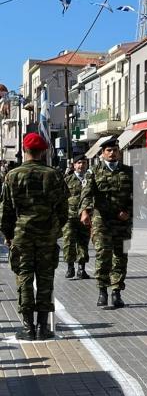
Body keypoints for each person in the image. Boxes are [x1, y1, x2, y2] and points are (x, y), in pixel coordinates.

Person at [0, 133, 69, 340]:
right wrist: (55, 229)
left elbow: (6, 210)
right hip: (47, 234)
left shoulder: (12, 175)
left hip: (22, 234)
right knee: (46, 279)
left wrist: (8, 234)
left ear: (24, 150)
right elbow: (63, 209)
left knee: (24, 278)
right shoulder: (54, 175)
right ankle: (42, 326)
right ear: (44, 151)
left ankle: (28, 327)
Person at [80, 137, 134, 309]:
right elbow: (87, 193)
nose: (112, 153)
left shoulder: (129, 172)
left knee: (120, 257)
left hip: (122, 222)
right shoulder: (94, 172)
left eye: (115, 150)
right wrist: (84, 211)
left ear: (119, 152)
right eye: (108, 151)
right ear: (102, 153)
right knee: (103, 255)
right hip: (101, 221)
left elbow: (138, 196)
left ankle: (116, 291)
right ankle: (102, 290)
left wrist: (128, 211)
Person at [63, 155, 91, 279]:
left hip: (86, 216)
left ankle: (81, 268)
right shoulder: (67, 180)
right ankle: (70, 267)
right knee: (68, 242)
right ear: (74, 165)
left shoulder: (90, 180)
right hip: (70, 216)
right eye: (79, 163)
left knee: (83, 242)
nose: (81, 165)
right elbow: (61, 197)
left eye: (84, 163)